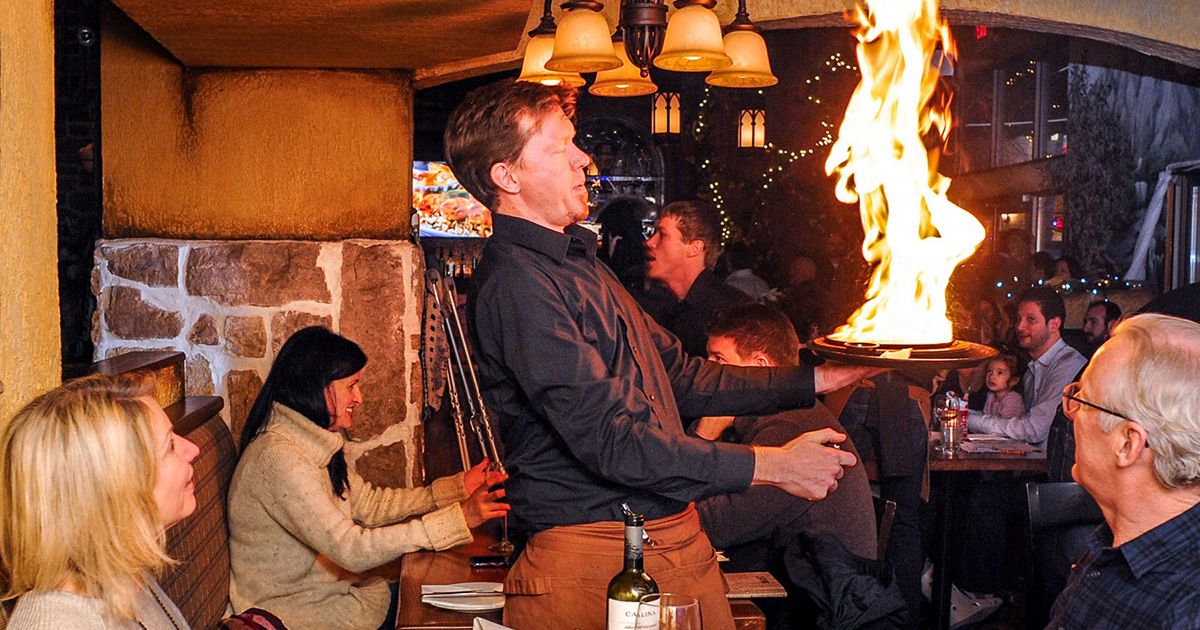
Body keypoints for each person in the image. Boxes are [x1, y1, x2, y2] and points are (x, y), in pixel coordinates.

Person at [444, 79, 872, 630]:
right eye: (560, 148)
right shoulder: (519, 285)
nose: (583, 160)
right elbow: (613, 441)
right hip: (593, 557)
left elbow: (681, 374)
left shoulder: (583, 264)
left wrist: (823, 377)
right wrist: (774, 466)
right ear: (507, 176)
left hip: (668, 542)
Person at [227, 326, 509, 630]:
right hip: (297, 614)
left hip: (331, 599)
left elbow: (371, 504)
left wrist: (456, 489)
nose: (359, 398)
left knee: (449, 604)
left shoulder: (311, 441)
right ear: (318, 388)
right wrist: (458, 520)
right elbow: (352, 549)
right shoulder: (279, 456)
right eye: (352, 386)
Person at [0, 373, 197, 629]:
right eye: (169, 446)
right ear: (115, 489)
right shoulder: (58, 624)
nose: (192, 449)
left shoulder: (123, 572)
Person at [1048, 313, 1200, 628]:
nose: (1071, 413)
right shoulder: (1113, 546)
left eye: (1083, 400)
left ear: (1127, 444)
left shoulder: (1186, 613)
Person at [695, 303, 877, 567]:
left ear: (759, 367)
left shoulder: (790, 427)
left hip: (815, 598)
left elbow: (713, 526)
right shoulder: (770, 414)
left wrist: (704, 436)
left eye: (718, 360)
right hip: (794, 579)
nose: (706, 371)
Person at [968, 287, 1086, 445]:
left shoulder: (1069, 365)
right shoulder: (1032, 368)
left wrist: (968, 418)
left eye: (1031, 319)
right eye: (1018, 319)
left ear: (1054, 324)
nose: (1019, 327)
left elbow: (1034, 430)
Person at [642, 199, 752, 357]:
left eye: (663, 235)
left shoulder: (732, 312)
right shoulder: (654, 307)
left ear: (694, 248)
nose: (650, 242)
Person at [981, 353, 1024, 419]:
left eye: (999, 372)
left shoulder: (1013, 399)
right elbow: (985, 417)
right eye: (989, 371)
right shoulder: (991, 395)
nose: (991, 376)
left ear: (1013, 381)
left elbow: (1003, 425)